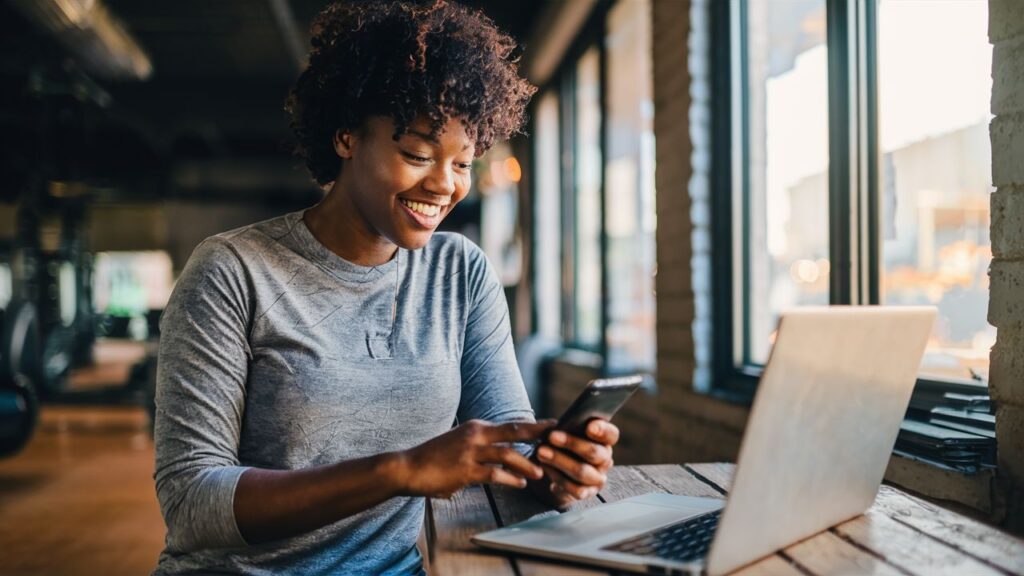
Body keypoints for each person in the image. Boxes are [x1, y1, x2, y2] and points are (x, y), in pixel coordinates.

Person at [152, 1, 620, 574]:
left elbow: (509, 447)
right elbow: (192, 502)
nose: (444, 186)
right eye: (417, 155)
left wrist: (556, 474)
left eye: (464, 163)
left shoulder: (461, 274)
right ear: (347, 137)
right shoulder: (231, 272)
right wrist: (399, 470)